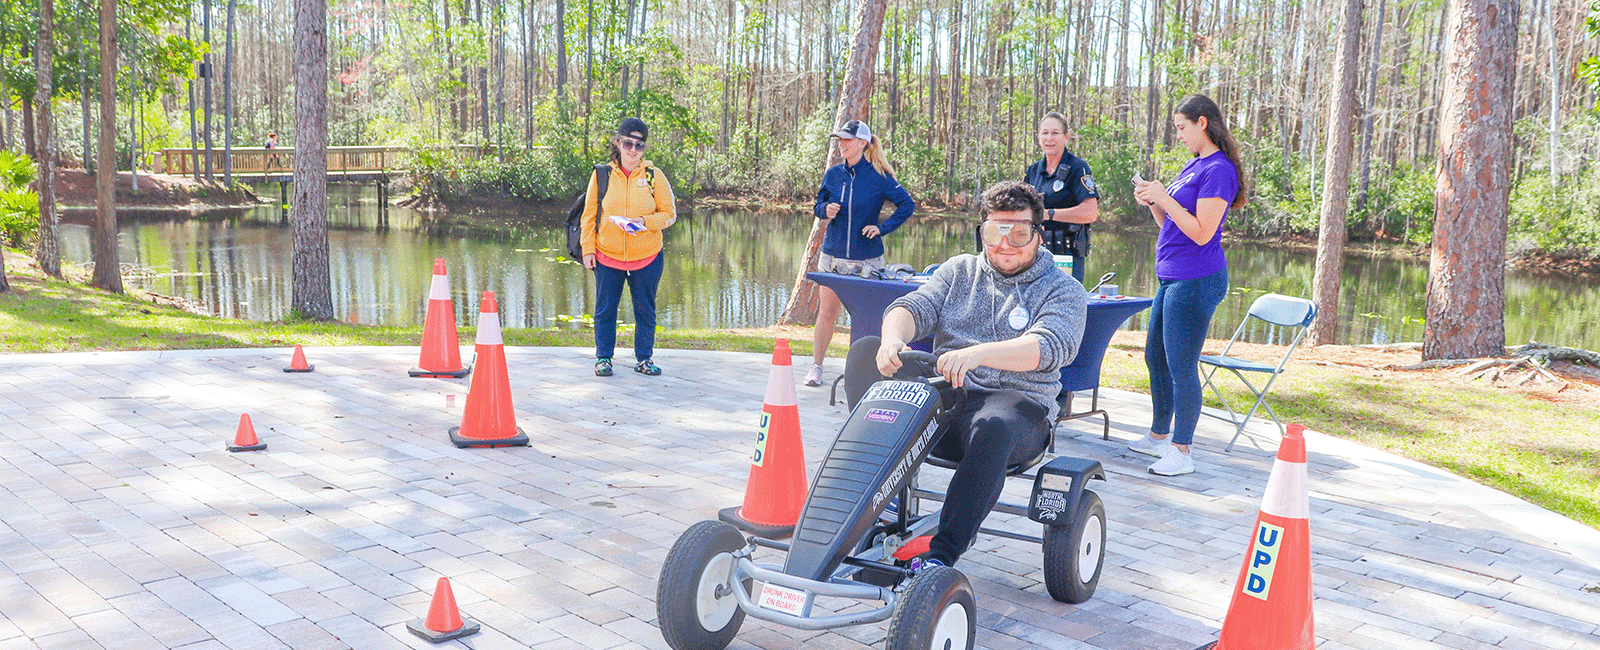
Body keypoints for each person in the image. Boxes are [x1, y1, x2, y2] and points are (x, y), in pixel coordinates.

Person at [870, 180, 1085, 570]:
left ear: (1037, 235)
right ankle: (857, 525)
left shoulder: (1063, 290)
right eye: (993, 232)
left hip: (1019, 409)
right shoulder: (959, 271)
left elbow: (1050, 346)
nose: (1005, 244)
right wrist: (892, 339)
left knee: (994, 427)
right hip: (947, 402)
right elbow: (913, 306)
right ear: (981, 232)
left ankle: (940, 556)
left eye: (1019, 233)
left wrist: (977, 355)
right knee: (871, 386)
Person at [1128, 94, 1246, 477]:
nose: (1178, 135)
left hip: (1197, 278)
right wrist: (1154, 202)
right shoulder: (1194, 165)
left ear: (1202, 123)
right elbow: (1172, 225)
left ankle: (1182, 451)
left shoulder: (1219, 170)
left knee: (1181, 366)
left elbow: (1201, 232)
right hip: (1171, 276)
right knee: (1155, 358)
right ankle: (1159, 436)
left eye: (1181, 127)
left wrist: (1165, 195)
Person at [805, 120, 915, 388]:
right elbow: (818, 204)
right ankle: (816, 368)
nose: (841, 145)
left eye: (847, 140)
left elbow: (907, 205)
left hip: (867, 260)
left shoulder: (879, 176)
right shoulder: (833, 174)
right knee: (826, 314)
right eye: (839, 140)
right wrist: (824, 210)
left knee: (869, 318)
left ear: (863, 144)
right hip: (832, 257)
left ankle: (872, 373)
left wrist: (882, 228)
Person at [580, 117, 678, 377]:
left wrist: (644, 222)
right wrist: (588, 249)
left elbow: (669, 214)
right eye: (628, 143)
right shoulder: (601, 175)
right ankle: (603, 359)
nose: (633, 150)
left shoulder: (653, 175)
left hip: (646, 257)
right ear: (618, 143)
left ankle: (644, 359)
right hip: (607, 256)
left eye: (639, 145)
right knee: (605, 311)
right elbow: (589, 216)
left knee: (645, 311)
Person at [1023, 112, 1099, 283]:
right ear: (1039, 137)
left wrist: (1049, 214)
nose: (1049, 138)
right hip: (1036, 255)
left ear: (1066, 137)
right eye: (1045, 133)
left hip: (1067, 255)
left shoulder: (1078, 167)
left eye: (1055, 133)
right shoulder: (1034, 170)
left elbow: (1090, 213)